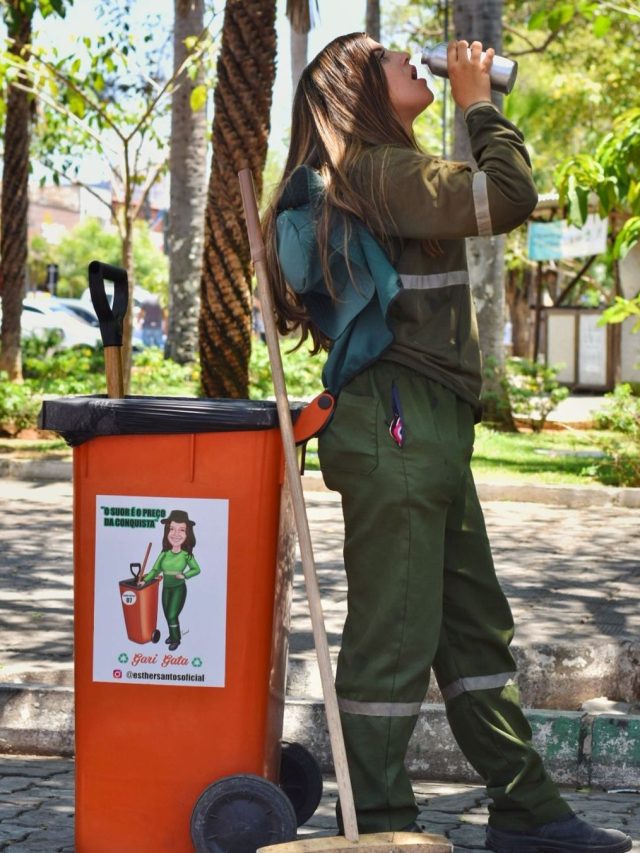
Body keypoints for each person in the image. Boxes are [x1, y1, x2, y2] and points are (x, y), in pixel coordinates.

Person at [263, 33, 632, 853]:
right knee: (394, 635)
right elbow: (509, 195)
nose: (414, 62)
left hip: (429, 419)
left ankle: (528, 809)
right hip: (396, 417)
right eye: (393, 58)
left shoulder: (388, 172)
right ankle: (382, 824)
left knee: (473, 630)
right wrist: (476, 99)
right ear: (360, 89)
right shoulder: (376, 172)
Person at [138, 509, 200, 651]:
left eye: (182, 530)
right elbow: (155, 570)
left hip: (179, 588)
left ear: (187, 533)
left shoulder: (186, 555)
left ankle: (176, 639)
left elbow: (196, 569)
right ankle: (172, 636)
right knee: (167, 614)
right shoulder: (164, 553)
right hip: (166, 588)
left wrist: (185, 575)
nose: (176, 534)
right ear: (167, 531)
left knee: (172, 614)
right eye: (172, 529)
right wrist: (145, 581)